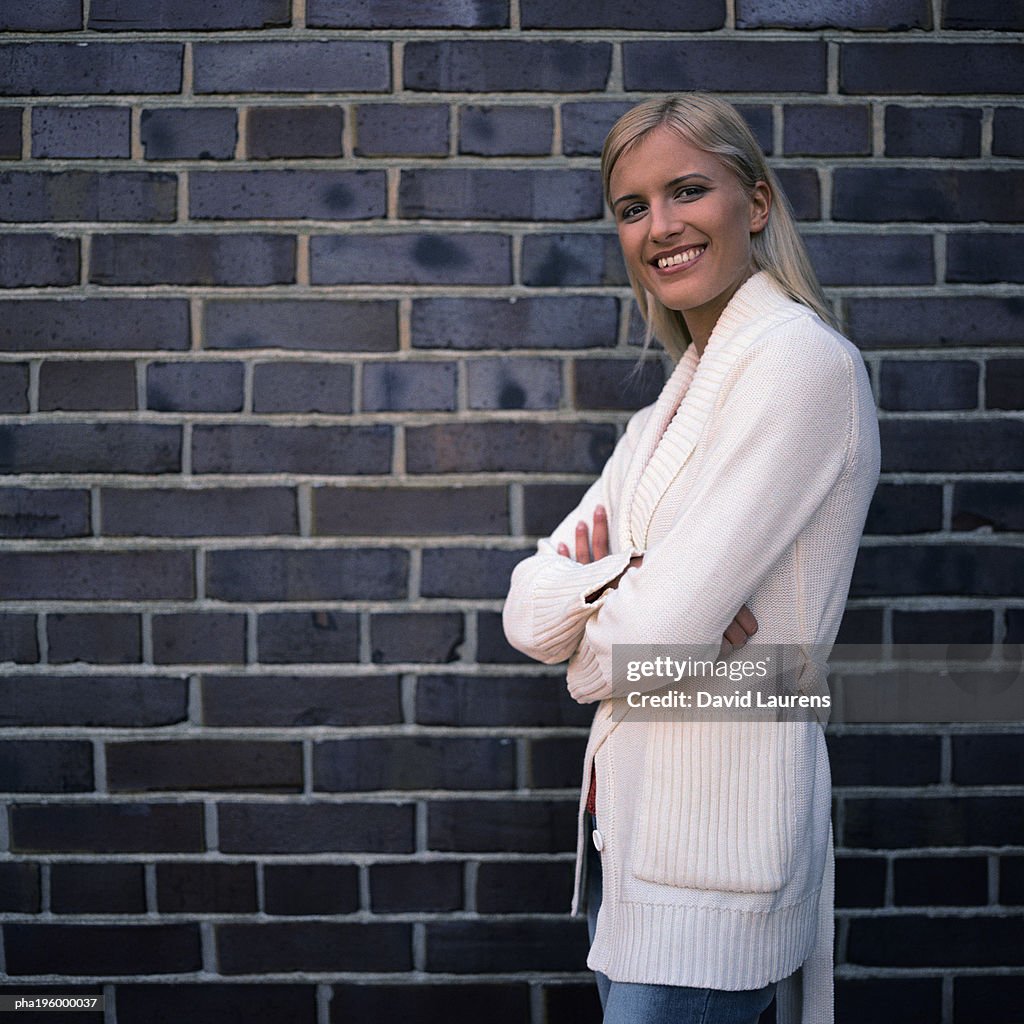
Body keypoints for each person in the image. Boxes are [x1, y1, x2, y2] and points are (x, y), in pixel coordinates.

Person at [502, 93, 880, 1024]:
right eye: (633, 208)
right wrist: (628, 585)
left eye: (686, 191)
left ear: (754, 203)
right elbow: (524, 608)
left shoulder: (800, 365)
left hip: (715, 855)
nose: (660, 226)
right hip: (629, 844)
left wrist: (606, 638)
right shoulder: (662, 411)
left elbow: (654, 635)